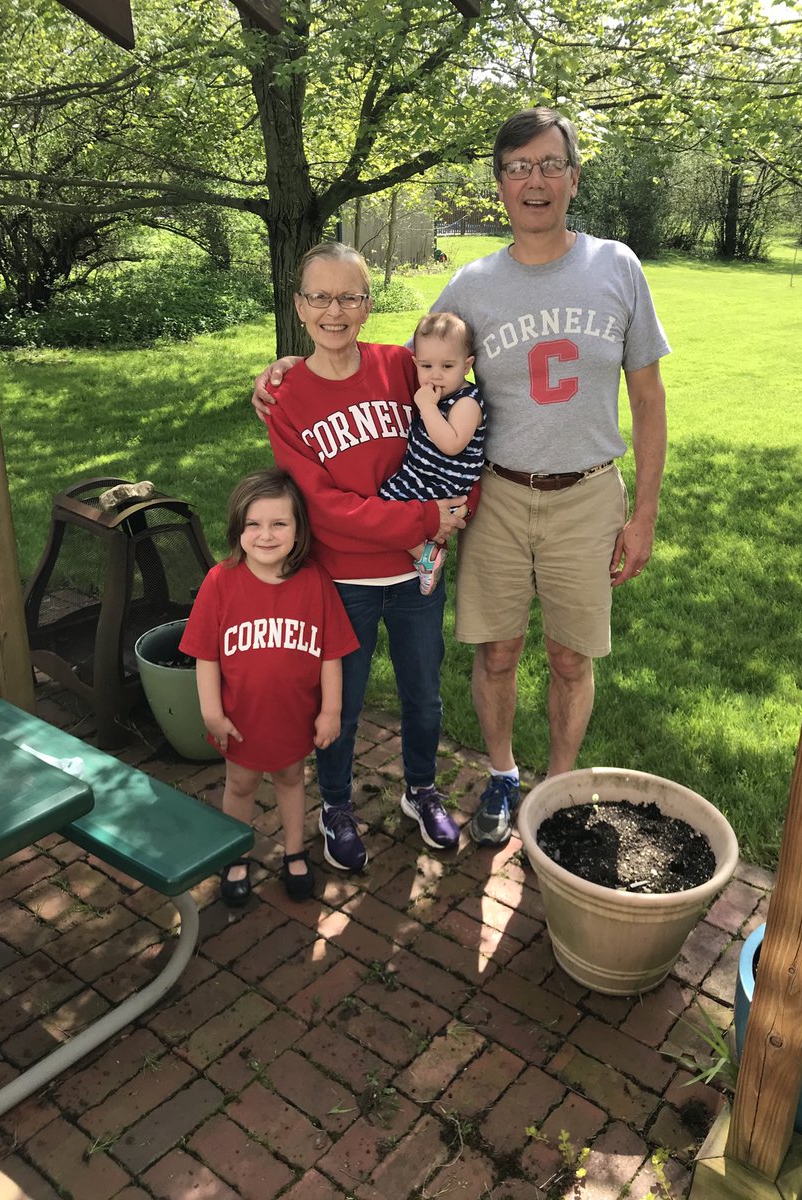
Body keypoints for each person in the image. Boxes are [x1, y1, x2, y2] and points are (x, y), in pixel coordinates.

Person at [253, 108, 669, 851]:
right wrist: (289, 365)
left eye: (548, 165)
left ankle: (558, 789)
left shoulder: (618, 266)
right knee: (497, 651)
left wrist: (644, 514)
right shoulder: (472, 284)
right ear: (501, 185)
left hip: (589, 489)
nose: (533, 181)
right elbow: (394, 350)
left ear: (573, 177)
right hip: (499, 493)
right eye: (517, 168)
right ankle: (504, 776)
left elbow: (648, 396)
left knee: (573, 656)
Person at [262, 242, 470, 872]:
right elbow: (323, 509)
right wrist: (424, 520)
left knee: (423, 694)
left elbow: (461, 436)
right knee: (341, 704)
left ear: (368, 304)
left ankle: (420, 789)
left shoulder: (399, 367)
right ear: (299, 307)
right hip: (341, 581)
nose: (335, 310)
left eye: (349, 296)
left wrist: (452, 512)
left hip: (416, 576)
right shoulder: (285, 397)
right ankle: (333, 804)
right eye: (320, 296)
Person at [179, 469, 359, 906]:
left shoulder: (314, 581)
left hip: (293, 716)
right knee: (240, 785)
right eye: (254, 524)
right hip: (240, 718)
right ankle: (235, 854)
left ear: (298, 531)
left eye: (279, 523)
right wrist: (211, 712)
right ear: (237, 528)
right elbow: (207, 656)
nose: (266, 535)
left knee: (291, 778)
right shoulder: (220, 583)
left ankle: (294, 850)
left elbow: (330, 654)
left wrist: (330, 710)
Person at [379, 311, 484, 595]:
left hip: (443, 481)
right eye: (426, 366)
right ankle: (425, 553)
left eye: (447, 366)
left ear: (467, 365)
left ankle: (426, 556)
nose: (435, 374)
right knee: (386, 507)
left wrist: (426, 407)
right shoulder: (435, 393)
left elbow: (452, 444)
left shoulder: (466, 402)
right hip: (423, 473)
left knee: (388, 507)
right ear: (415, 364)